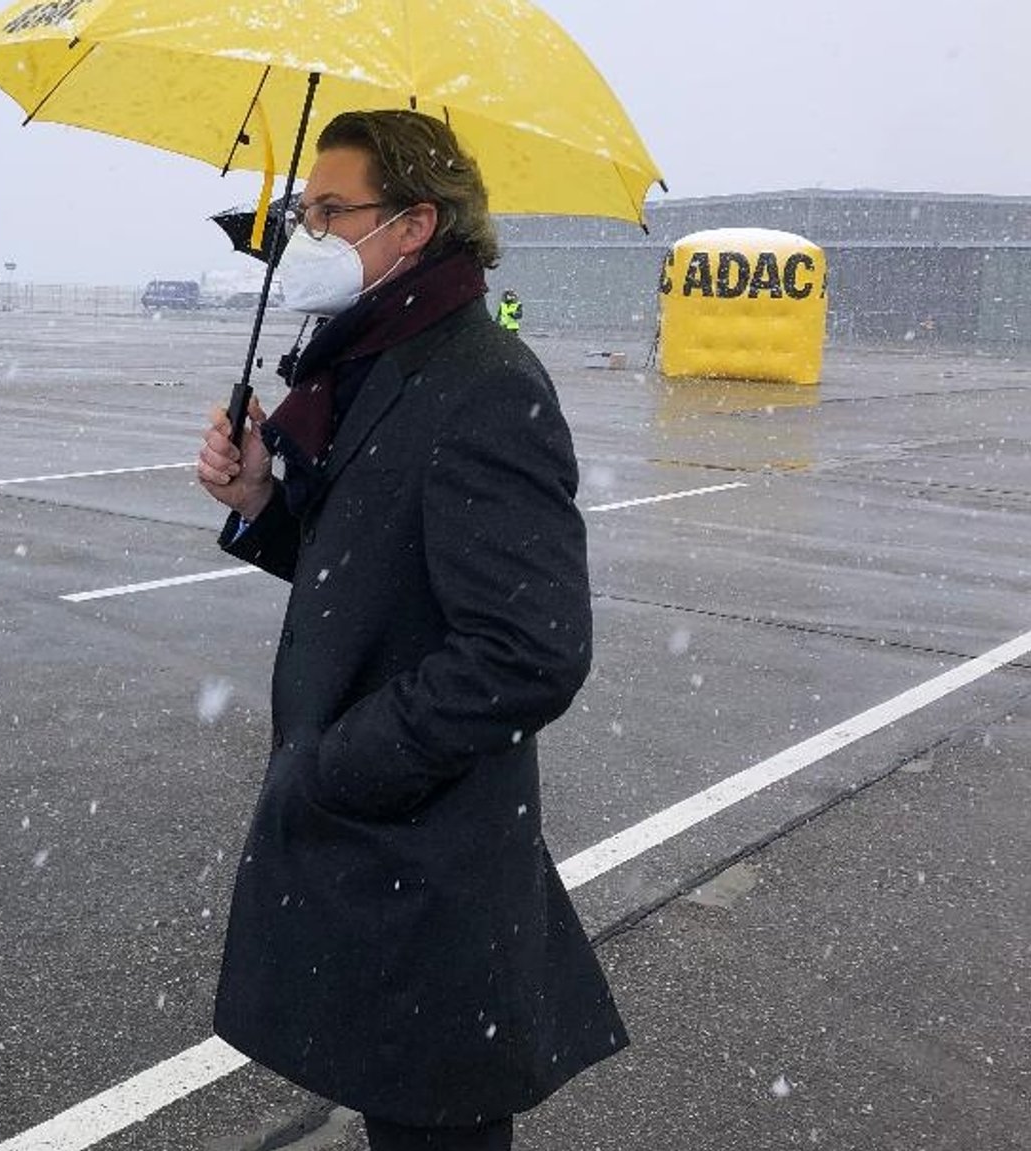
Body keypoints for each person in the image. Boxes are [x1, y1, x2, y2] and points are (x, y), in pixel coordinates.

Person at [194, 110, 625, 1151]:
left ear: (413, 224)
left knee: (435, 1122)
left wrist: (337, 765)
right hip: (384, 852)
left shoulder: (480, 383)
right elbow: (375, 566)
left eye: (331, 210)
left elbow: (528, 649)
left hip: (426, 854)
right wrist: (262, 499)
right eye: (305, 209)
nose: (307, 229)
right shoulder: (376, 361)